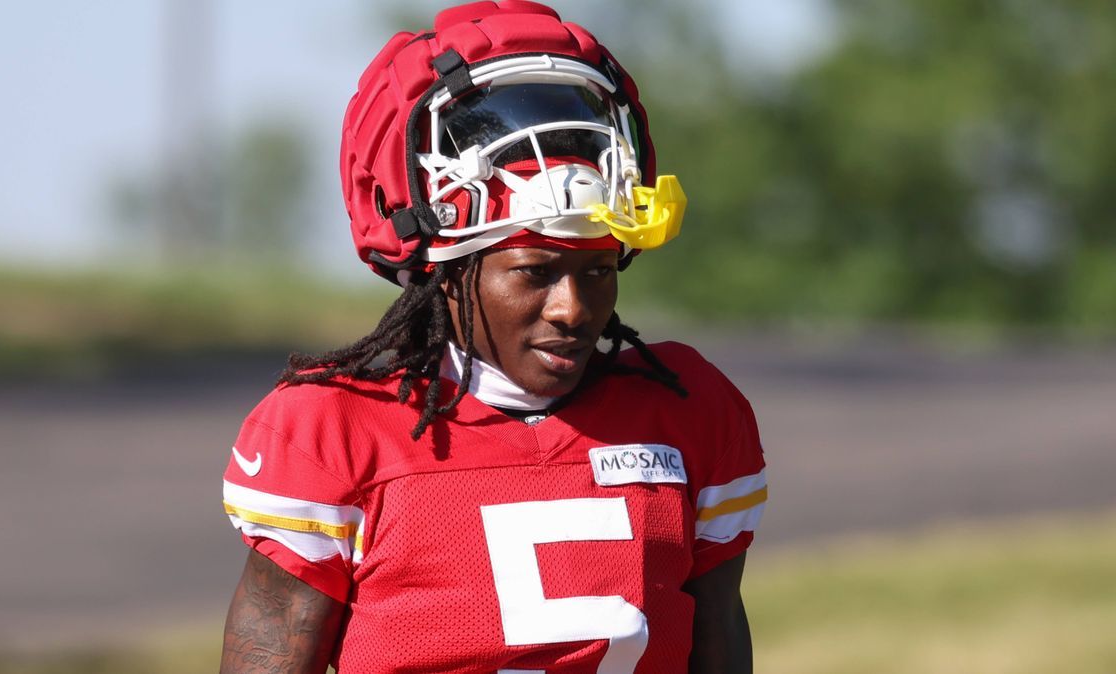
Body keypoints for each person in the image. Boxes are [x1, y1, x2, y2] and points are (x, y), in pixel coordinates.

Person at [219, 2, 767, 672]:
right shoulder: (339, 429)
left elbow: (717, 641)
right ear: (448, 270)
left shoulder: (689, 412)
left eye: (597, 269)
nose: (572, 308)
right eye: (535, 271)